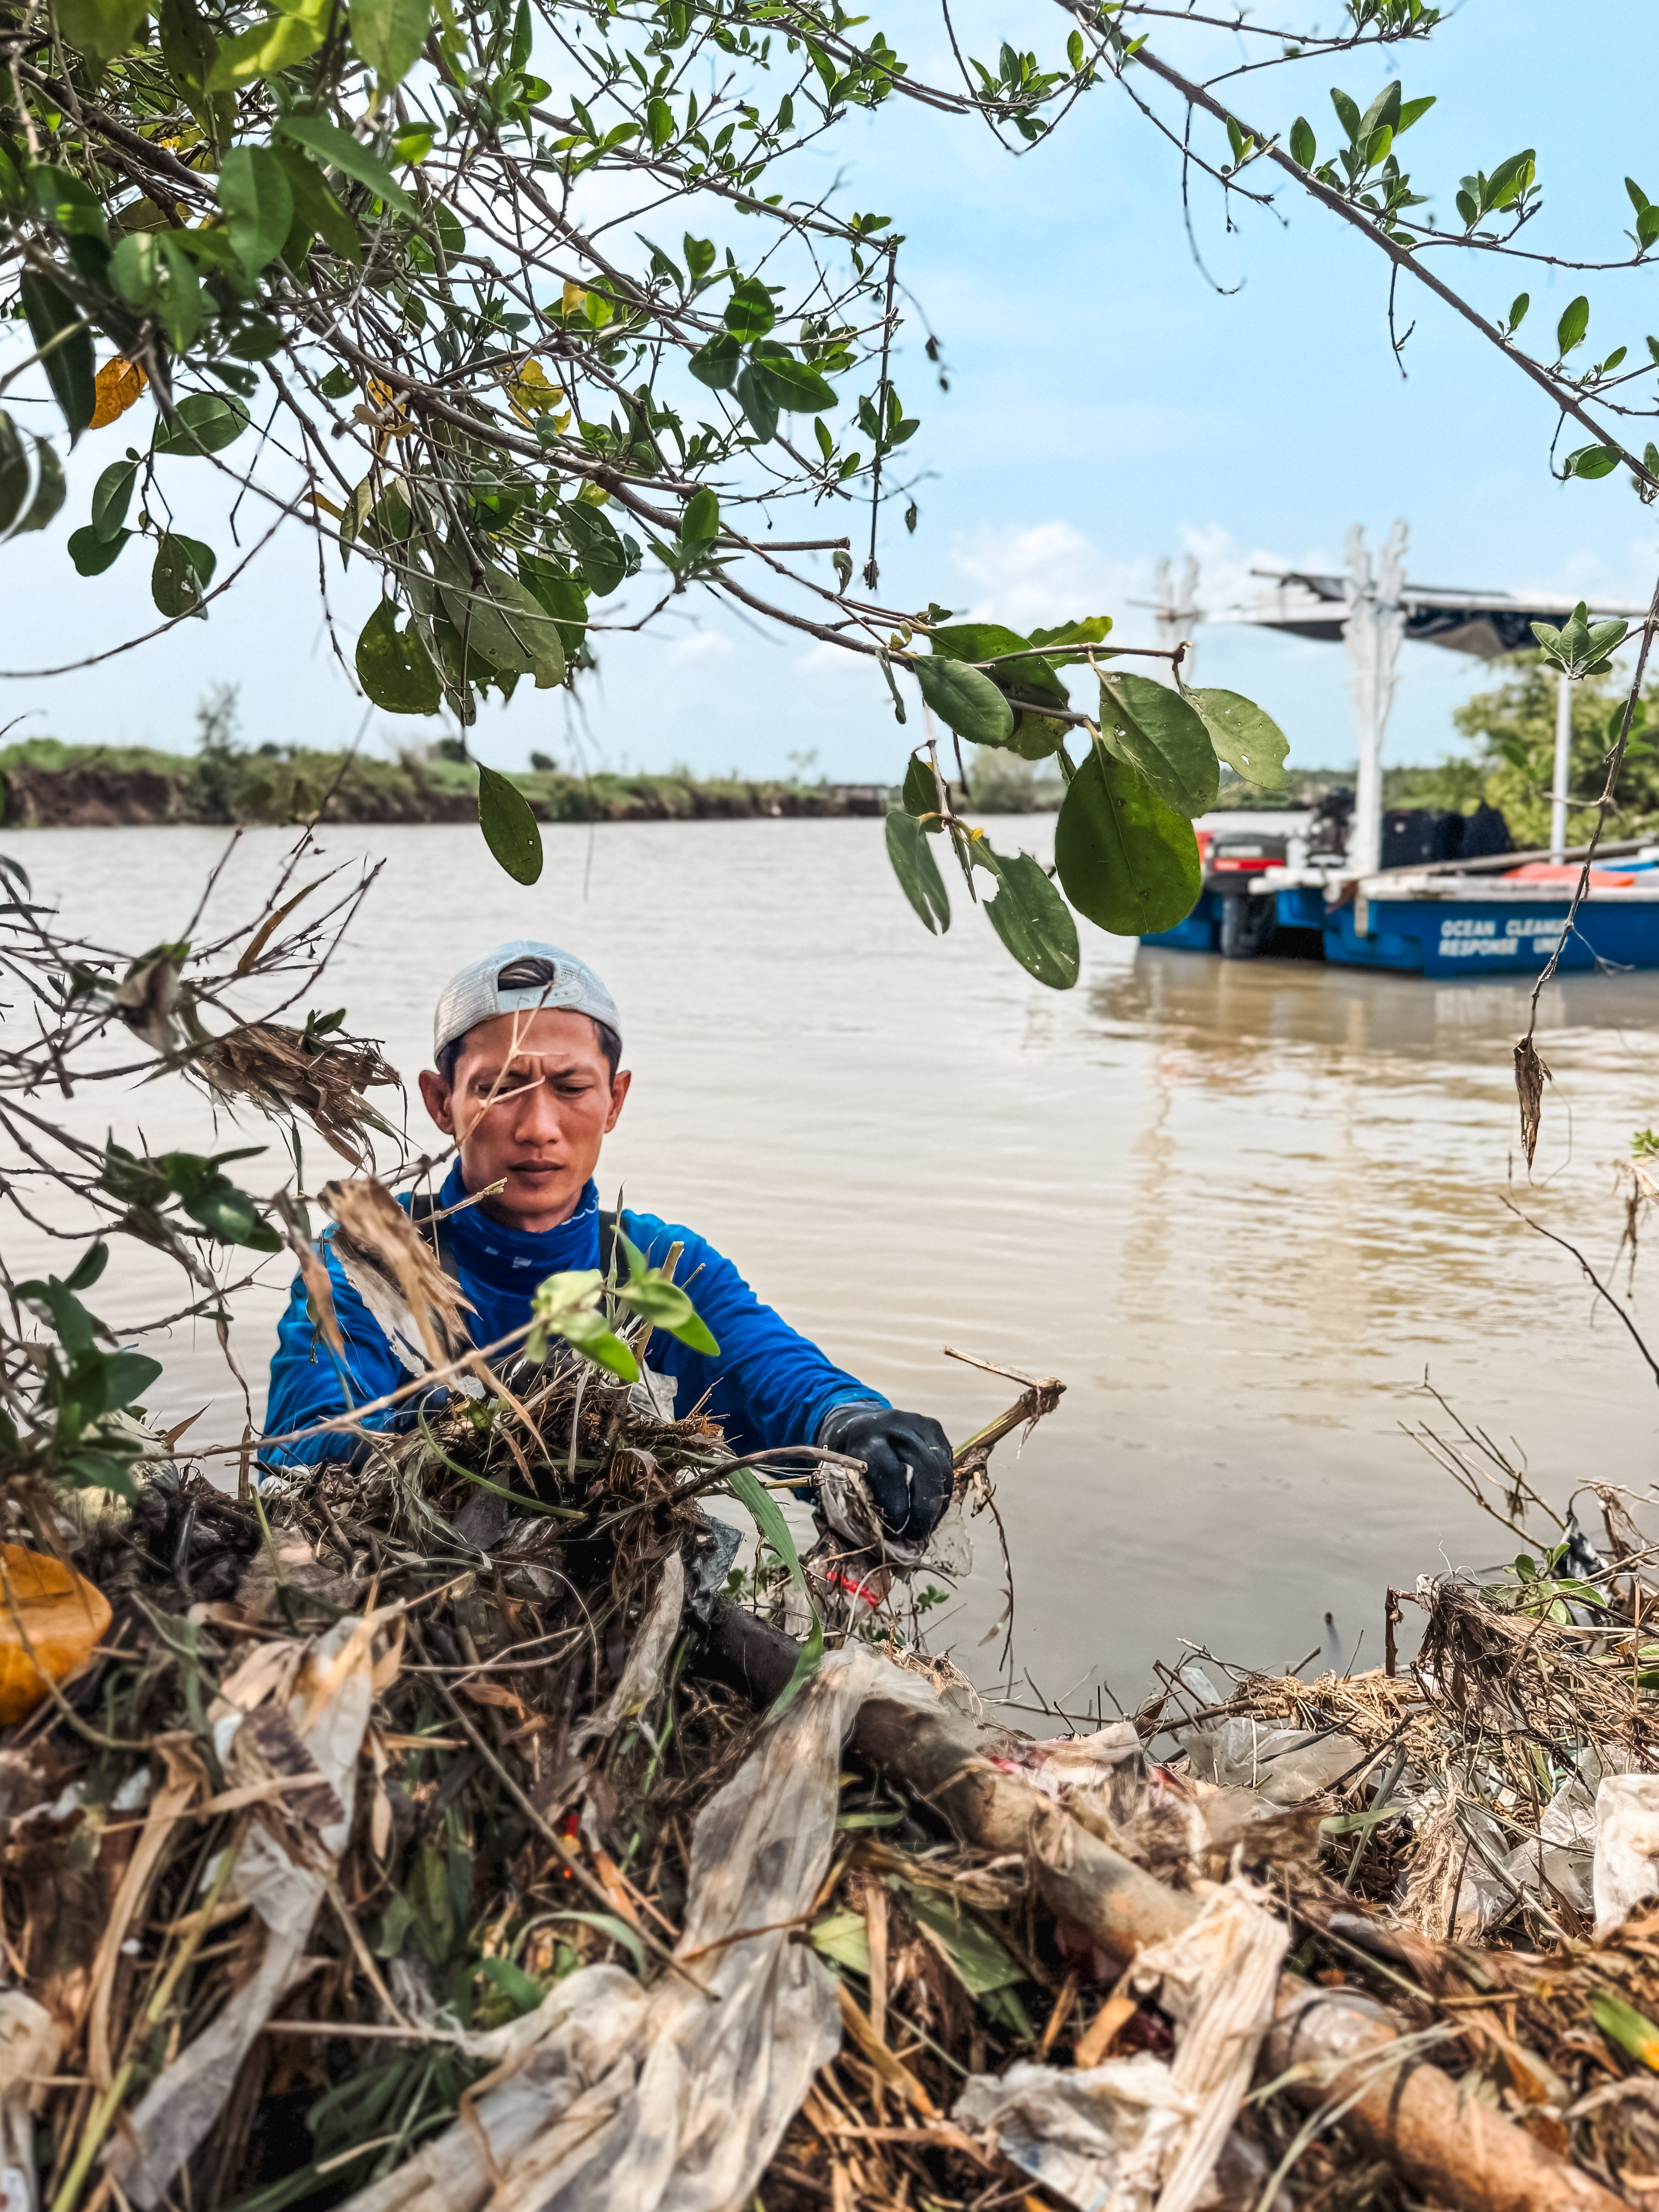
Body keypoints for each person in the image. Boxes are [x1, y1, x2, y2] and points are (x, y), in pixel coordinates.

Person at [262, 940, 954, 1541]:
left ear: (615, 1100)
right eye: (501, 1089)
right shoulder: (368, 1262)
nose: (538, 1126)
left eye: (570, 1087)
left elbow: (772, 1375)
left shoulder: (657, 1267)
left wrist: (853, 1426)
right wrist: (507, 1421)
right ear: (444, 1103)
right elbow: (307, 1440)